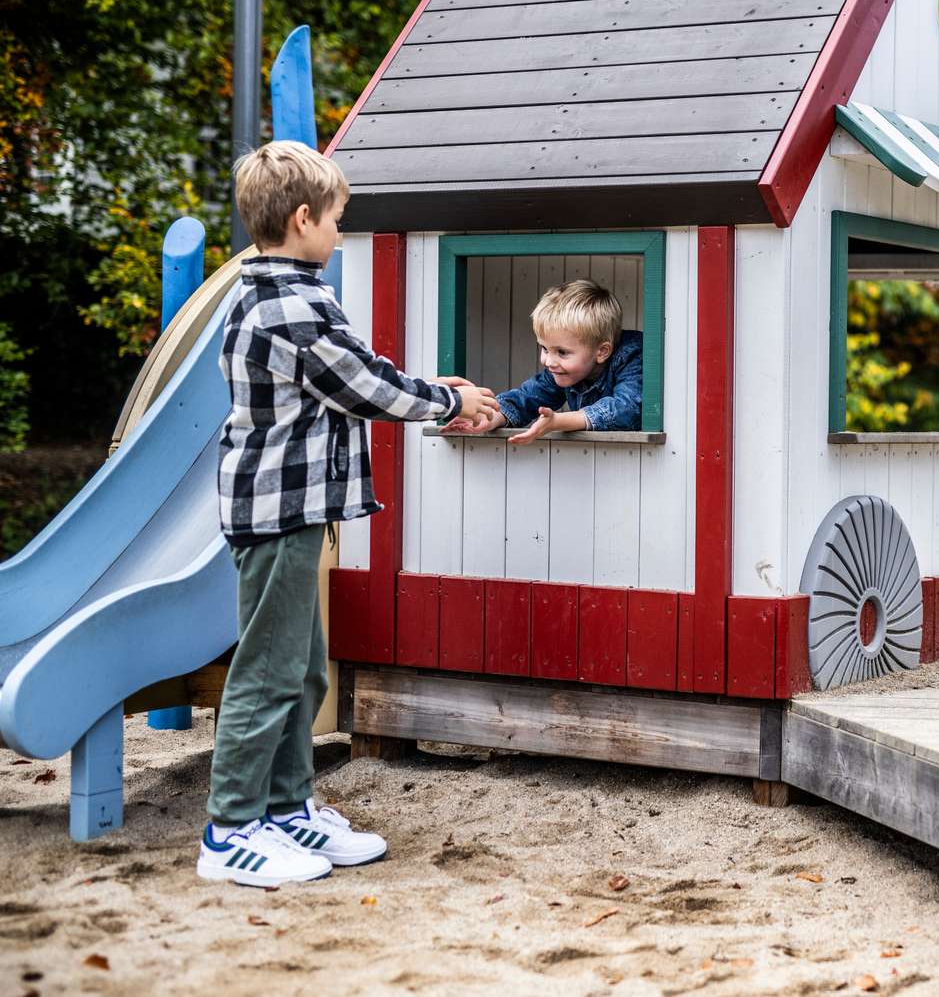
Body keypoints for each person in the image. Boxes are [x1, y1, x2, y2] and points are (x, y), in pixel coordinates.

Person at [199, 141, 499, 887]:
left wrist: (430, 384)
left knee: (302, 668)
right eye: (336, 220)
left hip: (295, 508)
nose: (339, 232)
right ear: (302, 220)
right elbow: (360, 384)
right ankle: (231, 826)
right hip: (276, 511)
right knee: (268, 669)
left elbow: (350, 372)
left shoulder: (279, 290)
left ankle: (286, 803)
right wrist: (447, 400)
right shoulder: (291, 304)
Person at [441, 279, 643, 442]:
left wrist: (560, 421)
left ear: (602, 351)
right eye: (545, 348)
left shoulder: (631, 356)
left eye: (562, 352)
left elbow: (626, 410)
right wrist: (489, 418)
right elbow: (526, 398)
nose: (548, 361)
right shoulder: (563, 369)